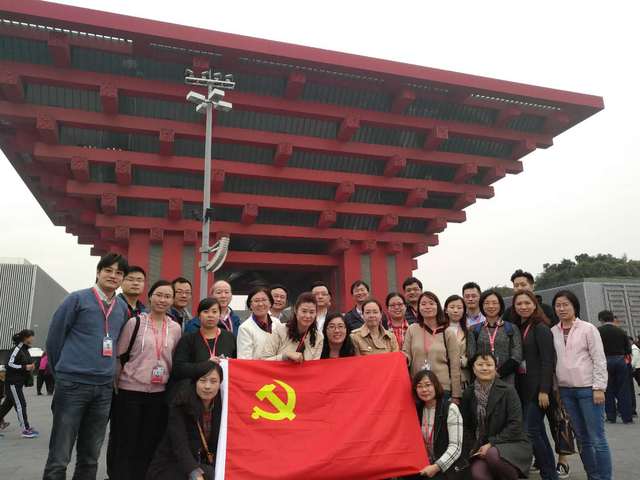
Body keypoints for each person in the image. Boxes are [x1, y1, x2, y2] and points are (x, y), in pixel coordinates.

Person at [43, 252, 130, 480]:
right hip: (73, 384)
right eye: (108, 270)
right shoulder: (77, 299)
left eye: (119, 273)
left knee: (91, 455)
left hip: (103, 389)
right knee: (60, 454)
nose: (113, 276)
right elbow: (54, 339)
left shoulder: (121, 308)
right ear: (98, 272)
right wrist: (61, 374)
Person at [108, 280, 183, 480]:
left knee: (149, 442)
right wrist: (116, 385)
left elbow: (174, 359)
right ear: (150, 297)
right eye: (159, 295)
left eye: (167, 296)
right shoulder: (135, 323)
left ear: (172, 300)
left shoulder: (175, 328)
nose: (162, 300)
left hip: (159, 394)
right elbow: (119, 356)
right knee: (126, 442)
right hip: (129, 391)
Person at [551, 290, 612, 480]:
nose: (562, 308)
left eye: (565, 304)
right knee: (582, 439)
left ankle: (605, 477)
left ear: (574, 306)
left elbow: (599, 359)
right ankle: (593, 476)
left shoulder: (588, 328)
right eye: (558, 305)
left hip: (588, 390)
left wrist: (599, 387)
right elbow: (554, 362)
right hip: (566, 391)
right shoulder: (553, 331)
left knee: (597, 438)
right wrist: (556, 389)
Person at [460, 353, 532, 480]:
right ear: (474, 369)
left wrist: (491, 444)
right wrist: (473, 447)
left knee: (492, 454)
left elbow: (515, 425)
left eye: (489, 365)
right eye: (480, 365)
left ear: (495, 368)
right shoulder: (468, 393)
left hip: (511, 443)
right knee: (477, 474)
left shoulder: (508, 391)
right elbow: (466, 426)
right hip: (481, 446)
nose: (484, 368)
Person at [146, 363, 223, 480]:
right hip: (171, 465)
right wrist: (195, 473)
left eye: (213, 381)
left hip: (201, 462)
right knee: (209, 474)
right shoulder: (181, 404)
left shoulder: (222, 407)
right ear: (195, 382)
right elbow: (180, 446)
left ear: (220, 384)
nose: (207, 386)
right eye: (202, 380)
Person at [512, 291, 558, 480]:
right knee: (538, 432)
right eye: (519, 304)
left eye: (527, 303)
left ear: (534, 304)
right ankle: (550, 474)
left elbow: (548, 361)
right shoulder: (520, 326)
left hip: (537, 389)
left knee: (530, 431)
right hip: (523, 388)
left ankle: (549, 473)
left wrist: (544, 390)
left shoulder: (541, 328)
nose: (523, 307)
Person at [403, 292, 462, 401]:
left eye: (431, 303)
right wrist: (401, 358)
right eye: (423, 304)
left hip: (442, 387)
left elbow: (455, 365)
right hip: (419, 387)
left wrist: (456, 395)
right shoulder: (412, 329)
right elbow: (406, 354)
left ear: (438, 307)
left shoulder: (448, 332)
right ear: (419, 308)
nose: (427, 307)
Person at [405, 370, 463, 480]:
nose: (424, 390)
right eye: (419, 386)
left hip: (445, 466)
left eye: (428, 385)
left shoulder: (450, 409)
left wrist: (436, 467)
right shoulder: (416, 410)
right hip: (423, 465)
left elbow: (455, 447)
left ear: (435, 386)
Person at [173, 298, 237, 386]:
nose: (210, 315)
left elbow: (237, 365)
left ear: (219, 315)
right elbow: (178, 369)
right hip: (194, 389)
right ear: (199, 316)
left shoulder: (230, 337)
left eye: (214, 312)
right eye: (206, 312)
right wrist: (206, 365)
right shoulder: (188, 339)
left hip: (224, 389)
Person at [467, 290, 522, 385]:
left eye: (494, 303)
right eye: (487, 303)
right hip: (482, 379)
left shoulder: (511, 328)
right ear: (482, 306)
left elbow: (517, 356)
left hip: (507, 380)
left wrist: (497, 373)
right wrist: (485, 373)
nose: (491, 306)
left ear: (500, 305)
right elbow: (471, 356)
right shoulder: (474, 329)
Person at [263, 292, 323, 361]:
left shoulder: (318, 338)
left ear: (316, 313)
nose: (308, 316)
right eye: (304, 311)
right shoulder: (279, 330)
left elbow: (314, 365)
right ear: (295, 310)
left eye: (312, 312)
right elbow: (264, 361)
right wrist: (285, 356)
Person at [0, 329, 38, 438]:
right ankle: (25, 429)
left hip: (18, 383)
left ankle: (26, 428)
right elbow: (9, 364)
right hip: (13, 383)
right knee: (21, 405)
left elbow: (25, 363)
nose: (33, 338)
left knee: (7, 405)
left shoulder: (25, 349)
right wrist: (25, 367)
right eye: (31, 336)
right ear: (25, 338)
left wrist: (30, 366)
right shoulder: (17, 349)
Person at [597, 309, 633, 424]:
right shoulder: (621, 331)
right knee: (624, 389)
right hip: (620, 360)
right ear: (612, 318)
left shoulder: (598, 331)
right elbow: (628, 348)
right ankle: (627, 417)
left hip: (605, 361)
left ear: (601, 319)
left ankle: (611, 416)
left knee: (608, 390)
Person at [237, 286, 281, 359]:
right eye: (256, 301)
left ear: (270, 303)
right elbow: (244, 359)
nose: (260, 304)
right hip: (256, 366)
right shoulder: (245, 328)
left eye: (264, 300)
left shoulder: (277, 323)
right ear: (250, 305)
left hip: (277, 365)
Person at [445, 295, 471, 389]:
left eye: (459, 307)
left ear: (464, 310)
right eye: (452, 307)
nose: (455, 310)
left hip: (464, 377)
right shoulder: (440, 330)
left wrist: (462, 361)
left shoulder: (469, 331)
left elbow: (472, 354)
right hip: (445, 376)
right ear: (446, 310)